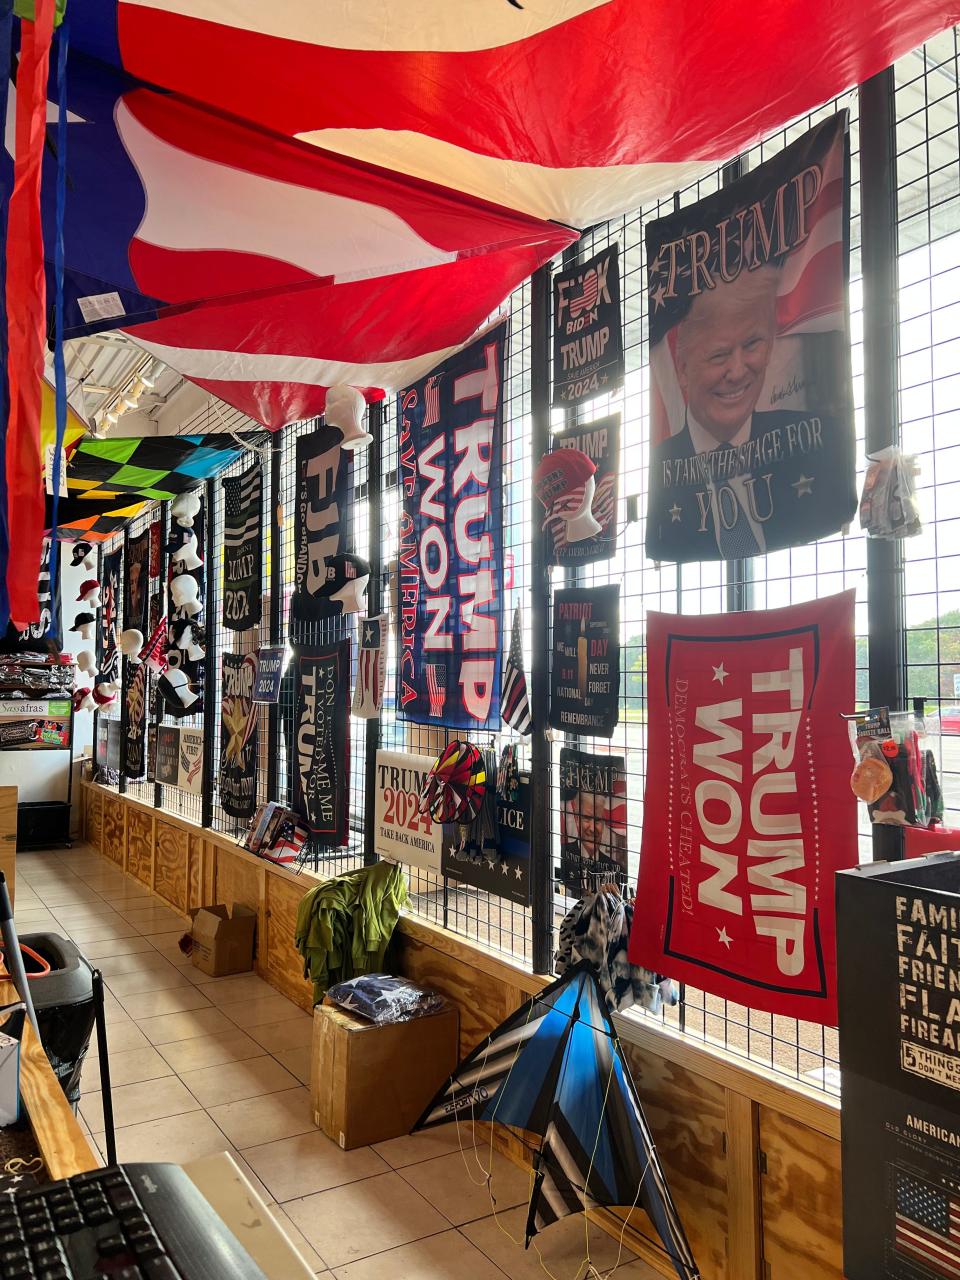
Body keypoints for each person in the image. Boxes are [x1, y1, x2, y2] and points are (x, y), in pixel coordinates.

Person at [646, 264, 854, 562]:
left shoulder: (821, 440)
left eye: (752, 344)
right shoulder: (663, 472)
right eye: (719, 355)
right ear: (682, 370)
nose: (738, 371)